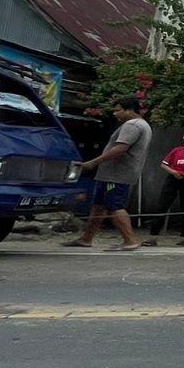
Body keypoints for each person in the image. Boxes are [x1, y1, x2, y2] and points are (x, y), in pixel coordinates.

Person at [64, 96, 153, 252]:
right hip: (110, 174)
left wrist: (93, 162)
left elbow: (120, 149)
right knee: (98, 206)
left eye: (118, 110)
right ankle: (86, 239)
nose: (114, 113)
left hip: (116, 175)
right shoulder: (142, 125)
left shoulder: (132, 125)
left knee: (115, 206)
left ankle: (130, 241)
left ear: (130, 110)